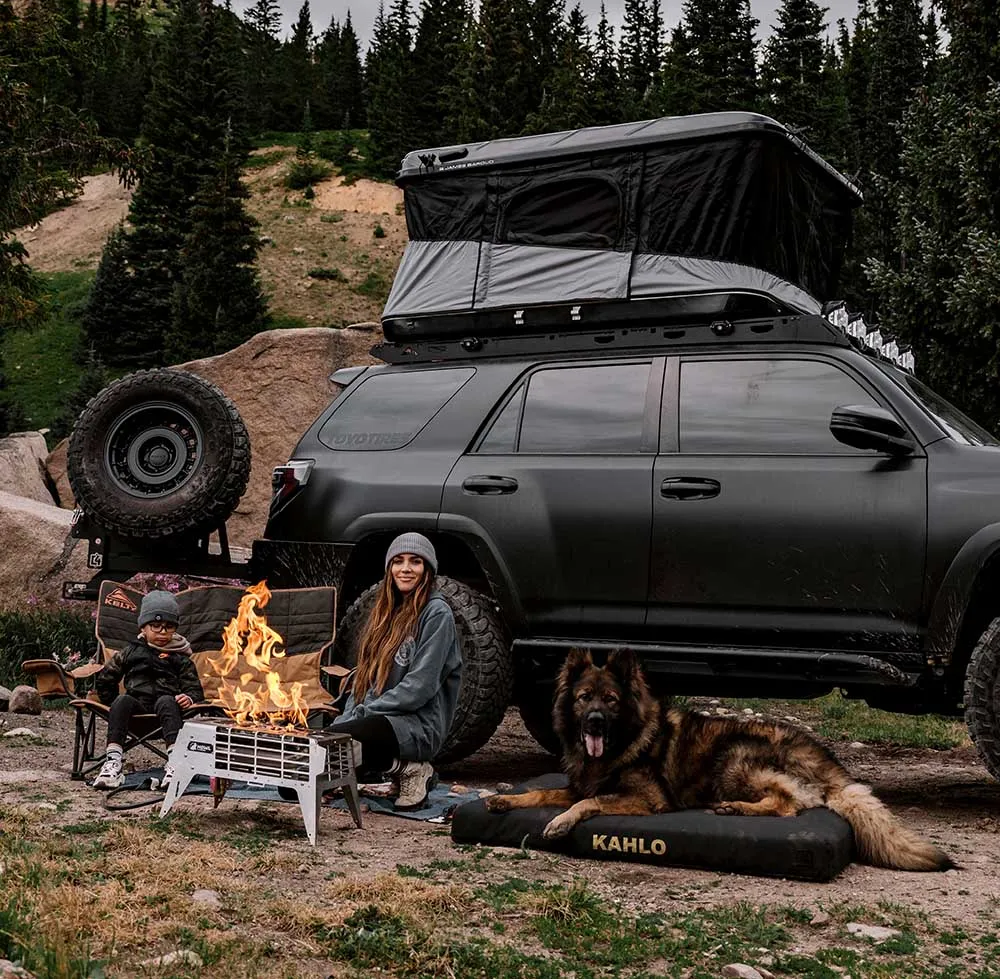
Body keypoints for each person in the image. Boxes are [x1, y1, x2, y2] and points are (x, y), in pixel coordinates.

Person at [331, 533, 462, 810]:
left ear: (427, 569)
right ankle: (385, 768)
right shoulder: (383, 614)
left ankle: (413, 769)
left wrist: (364, 714)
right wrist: (343, 722)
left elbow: (419, 687)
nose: (405, 569)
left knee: (342, 742)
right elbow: (363, 682)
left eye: (415, 562)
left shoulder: (437, 614)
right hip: (374, 720)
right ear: (389, 568)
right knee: (293, 783)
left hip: (417, 725)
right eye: (398, 561)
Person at [91, 590, 204, 791]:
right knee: (122, 701)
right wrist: (111, 704)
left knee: (167, 701)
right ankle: (113, 764)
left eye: (169, 627)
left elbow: (194, 690)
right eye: (156, 626)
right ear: (143, 627)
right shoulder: (131, 651)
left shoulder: (180, 657)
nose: (162, 631)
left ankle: (175, 764)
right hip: (136, 711)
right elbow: (107, 677)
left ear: (175, 629)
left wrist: (188, 698)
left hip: (166, 714)